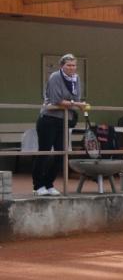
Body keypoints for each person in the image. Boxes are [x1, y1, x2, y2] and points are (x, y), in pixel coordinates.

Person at [33, 53, 88, 196]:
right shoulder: (55, 77)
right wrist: (76, 104)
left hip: (64, 119)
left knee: (62, 153)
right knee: (45, 151)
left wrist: (74, 103)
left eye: (74, 65)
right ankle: (38, 185)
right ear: (62, 66)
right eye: (68, 65)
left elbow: (76, 97)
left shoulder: (76, 78)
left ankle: (49, 183)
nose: (72, 68)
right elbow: (56, 100)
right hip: (49, 118)